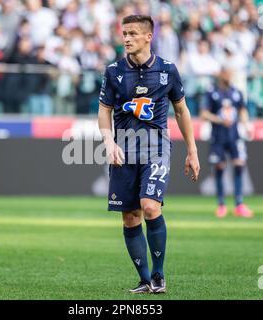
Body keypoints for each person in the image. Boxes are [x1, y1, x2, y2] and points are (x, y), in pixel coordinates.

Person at [98, 15, 200, 294]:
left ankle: (158, 275)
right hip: (124, 150)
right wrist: (108, 142)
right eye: (124, 33)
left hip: (156, 147)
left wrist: (192, 150)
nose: (126, 38)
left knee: (150, 206)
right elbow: (104, 110)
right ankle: (145, 280)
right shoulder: (113, 71)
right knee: (130, 216)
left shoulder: (167, 70)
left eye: (132, 33)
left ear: (148, 37)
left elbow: (181, 110)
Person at [200, 68, 254, 218]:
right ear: (221, 75)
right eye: (227, 73)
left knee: (239, 164)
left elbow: (242, 110)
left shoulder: (236, 92)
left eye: (231, 73)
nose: (230, 75)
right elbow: (204, 113)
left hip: (235, 136)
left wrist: (246, 125)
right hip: (218, 137)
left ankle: (239, 204)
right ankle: (221, 204)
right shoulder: (212, 92)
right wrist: (219, 120)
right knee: (219, 167)